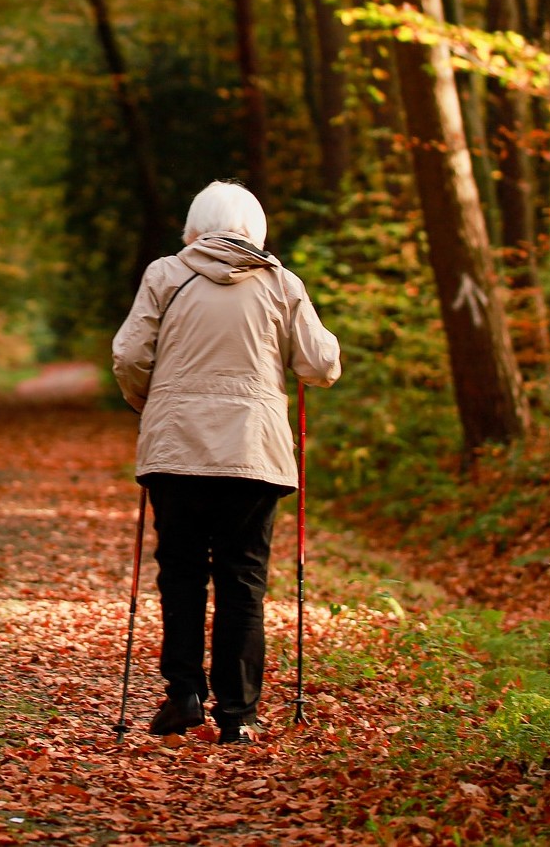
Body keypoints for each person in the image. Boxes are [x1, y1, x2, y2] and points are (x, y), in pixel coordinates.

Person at [111, 180, 340, 744]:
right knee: (243, 580)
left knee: (182, 573)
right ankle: (238, 714)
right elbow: (320, 363)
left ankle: (184, 692)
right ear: (255, 229)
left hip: (176, 452)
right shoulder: (281, 284)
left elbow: (128, 355)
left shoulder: (166, 275)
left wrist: (154, 402)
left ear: (194, 226)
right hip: (253, 454)